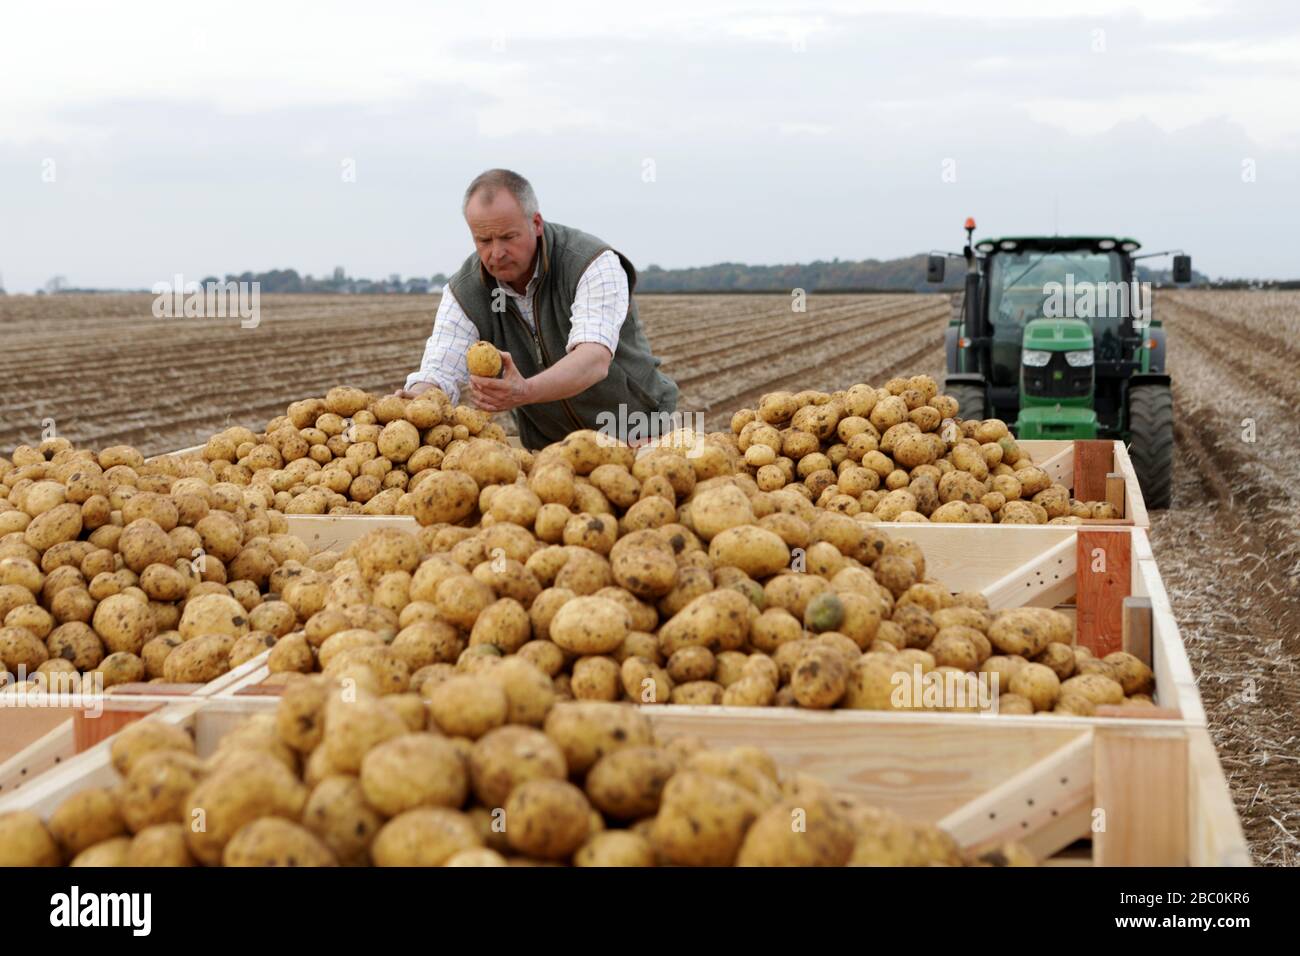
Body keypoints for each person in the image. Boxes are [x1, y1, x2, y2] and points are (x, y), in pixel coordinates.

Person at [397, 168, 678, 450]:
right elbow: (439, 370)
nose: (496, 253)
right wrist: (417, 398)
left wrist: (525, 391)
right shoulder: (466, 291)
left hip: (639, 434)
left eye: (508, 237)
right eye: (484, 240)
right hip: (552, 453)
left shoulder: (590, 263)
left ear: (537, 223)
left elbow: (593, 359)